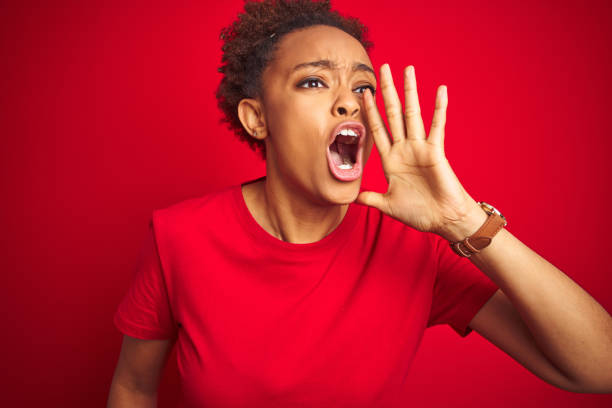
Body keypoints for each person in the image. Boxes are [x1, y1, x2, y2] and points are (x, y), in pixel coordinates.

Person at [107, 0, 612, 406]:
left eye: (362, 86)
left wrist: (464, 220)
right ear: (256, 118)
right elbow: (132, 387)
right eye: (313, 81)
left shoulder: (418, 247)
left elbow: (599, 369)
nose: (349, 101)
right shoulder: (180, 236)